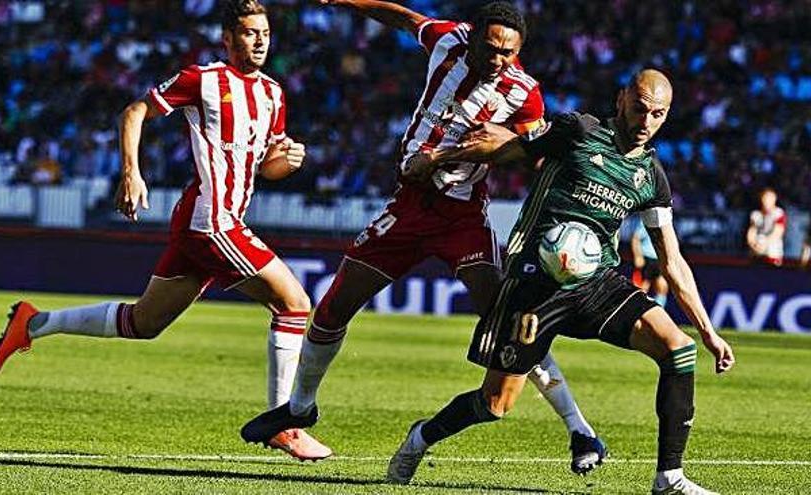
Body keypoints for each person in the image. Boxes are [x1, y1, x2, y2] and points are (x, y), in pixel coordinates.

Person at [241, 0, 606, 474]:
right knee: (333, 307)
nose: (499, 60)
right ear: (473, 35)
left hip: (463, 218)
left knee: (506, 321)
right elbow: (404, 17)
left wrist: (485, 150)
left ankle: (579, 430)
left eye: (509, 53)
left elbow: (533, 155)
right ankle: (300, 408)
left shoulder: (525, 93)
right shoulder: (447, 41)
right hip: (409, 206)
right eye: (492, 48)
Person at [0, 0, 331, 462]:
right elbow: (134, 112)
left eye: (264, 33)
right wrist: (131, 172)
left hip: (213, 220)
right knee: (294, 303)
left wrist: (285, 164)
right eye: (249, 33)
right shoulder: (203, 79)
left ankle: (33, 323)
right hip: (211, 219)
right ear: (228, 39)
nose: (259, 41)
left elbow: (263, 167)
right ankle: (283, 424)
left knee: (143, 323)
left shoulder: (273, 94)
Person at [384, 70, 735, 494]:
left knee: (678, 349)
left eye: (658, 113)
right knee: (495, 404)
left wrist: (708, 331)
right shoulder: (578, 131)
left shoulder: (650, 176)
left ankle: (670, 479)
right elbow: (509, 149)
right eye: (640, 107)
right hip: (534, 284)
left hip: (595, 283)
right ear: (622, 98)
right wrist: (438, 158)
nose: (646, 120)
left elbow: (672, 259)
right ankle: (421, 437)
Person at [746, 187, 786, 266]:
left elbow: (777, 233)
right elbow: (752, 231)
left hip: (772, 249)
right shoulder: (755, 214)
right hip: (757, 248)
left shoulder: (779, 213)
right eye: (765, 198)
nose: (767, 201)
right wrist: (753, 244)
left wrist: (764, 244)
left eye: (770, 198)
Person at [632, 221, 668, 307]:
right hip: (647, 258)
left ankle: (659, 312)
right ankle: (638, 312)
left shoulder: (665, 221)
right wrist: (638, 256)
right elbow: (635, 238)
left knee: (662, 287)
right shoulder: (646, 220)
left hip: (659, 259)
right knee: (643, 288)